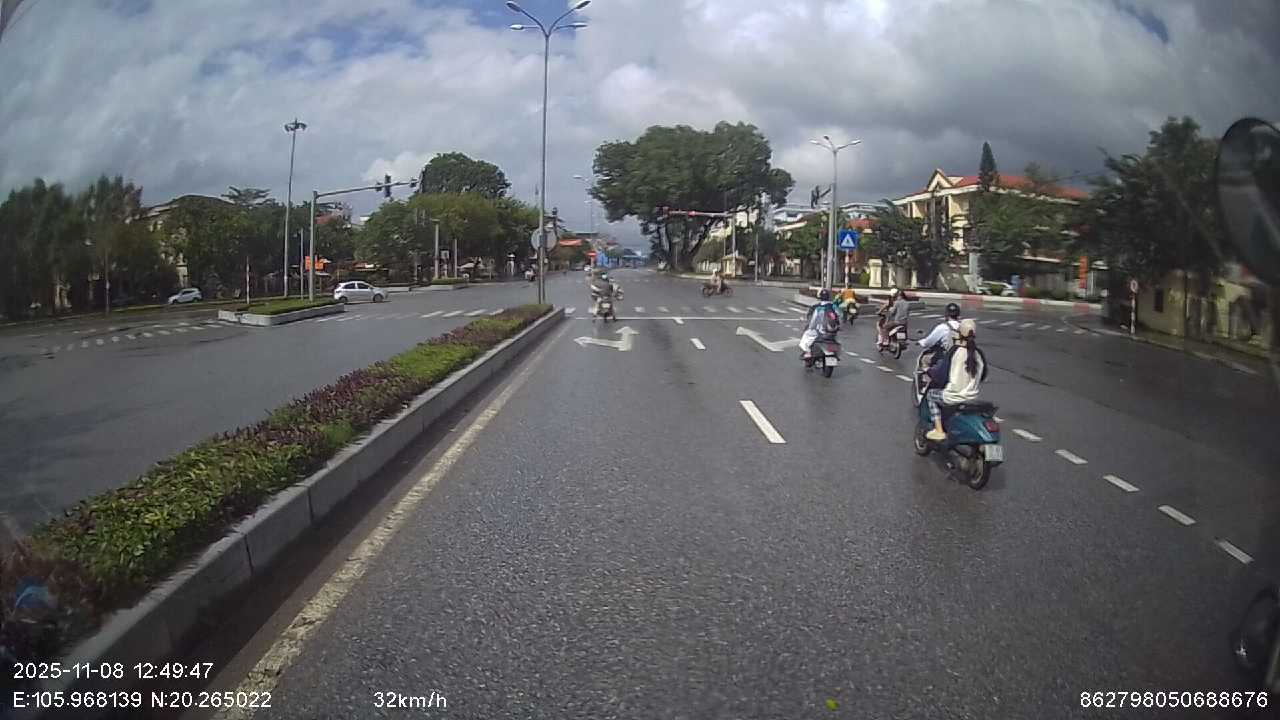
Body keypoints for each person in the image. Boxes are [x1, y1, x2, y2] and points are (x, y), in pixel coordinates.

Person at [924, 319, 988, 441]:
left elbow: (941, 375)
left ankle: (939, 430)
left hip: (952, 396)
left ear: (959, 334)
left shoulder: (955, 351)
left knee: (930, 396)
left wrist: (929, 371)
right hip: (972, 397)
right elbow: (983, 375)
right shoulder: (978, 354)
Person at [800, 288, 840, 357]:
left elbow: (812, 321)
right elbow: (840, 316)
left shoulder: (816, 307)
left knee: (805, 339)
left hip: (819, 331)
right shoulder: (833, 306)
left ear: (820, 297)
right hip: (832, 333)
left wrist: (809, 327)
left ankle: (808, 352)